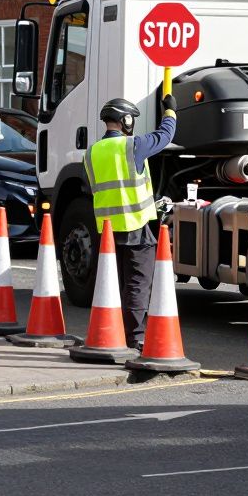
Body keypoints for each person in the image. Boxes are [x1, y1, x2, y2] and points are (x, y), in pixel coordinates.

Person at [85, 94, 178, 350]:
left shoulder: (91, 152)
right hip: (134, 224)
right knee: (137, 283)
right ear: (125, 120)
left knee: (112, 283)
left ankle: (111, 331)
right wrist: (170, 112)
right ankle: (135, 336)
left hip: (105, 229)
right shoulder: (132, 145)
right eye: (131, 119)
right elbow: (164, 136)